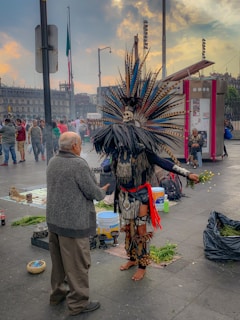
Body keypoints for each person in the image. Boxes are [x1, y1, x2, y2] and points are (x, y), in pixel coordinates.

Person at [93, 51, 199, 281]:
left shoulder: (145, 151)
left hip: (140, 195)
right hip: (123, 196)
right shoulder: (118, 149)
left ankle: (143, 264)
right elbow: (108, 167)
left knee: (141, 230)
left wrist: (187, 174)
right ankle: (131, 257)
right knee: (128, 230)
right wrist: (105, 165)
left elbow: (166, 164)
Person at [46, 132, 110, 316]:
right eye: (80, 144)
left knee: (58, 264)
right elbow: (94, 193)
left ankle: (57, 294)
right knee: (77, 266)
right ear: (74, 146)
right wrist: (103, 191)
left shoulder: (52, 161)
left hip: (54, 222)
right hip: (73, 225)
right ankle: (78, 303)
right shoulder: (78, 164)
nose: (81, 147)